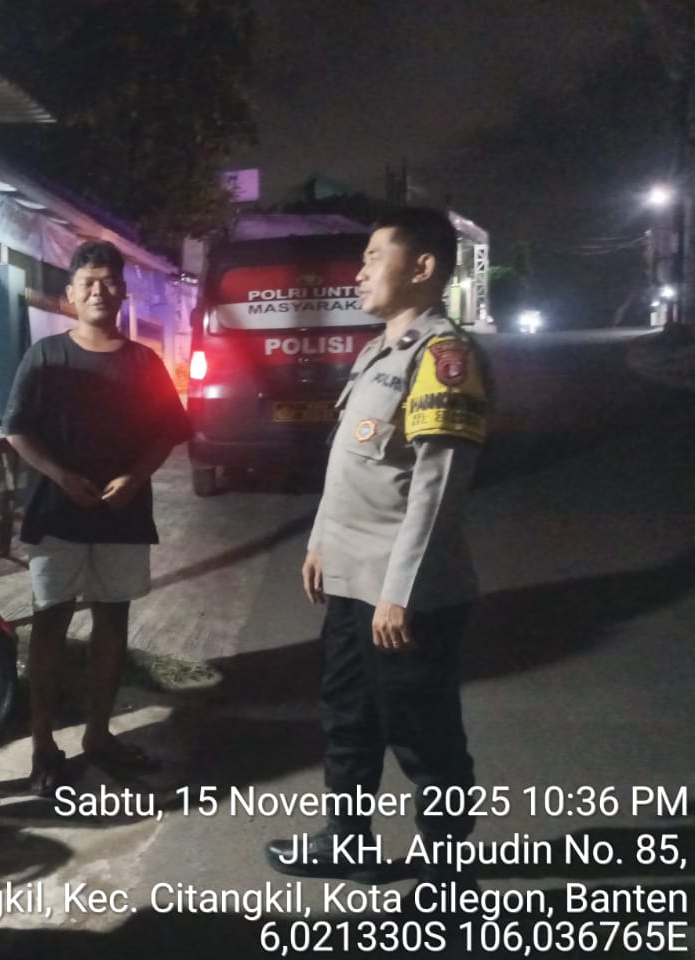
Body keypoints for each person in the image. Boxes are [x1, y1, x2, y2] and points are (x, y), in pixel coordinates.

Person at [265, 207, 489, 894]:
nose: (359, 271)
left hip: (403, 593)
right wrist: (319, 543)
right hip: (350, 579)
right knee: (349, 717)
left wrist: (402, 592)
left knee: (423, 734)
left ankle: (447, 874)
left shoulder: (444, 357)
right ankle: (346, 840)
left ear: (422, 267)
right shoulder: (379, 352)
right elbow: (354, 464)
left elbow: (436, 485)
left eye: (372, 256)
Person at [3, 240, 192, 796]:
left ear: (123, 291)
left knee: (113, 622)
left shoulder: (144, 362)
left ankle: (98, 735)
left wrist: (133, 478)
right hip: (56, 514)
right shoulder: (45, 356)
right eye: (87, 282)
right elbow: (17, 429)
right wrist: (61, 476)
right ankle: (43, 745)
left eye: (108, 281)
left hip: (121, 515)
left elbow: (169, 432)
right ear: (70, 293)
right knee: (50, 625)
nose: (98, 291)